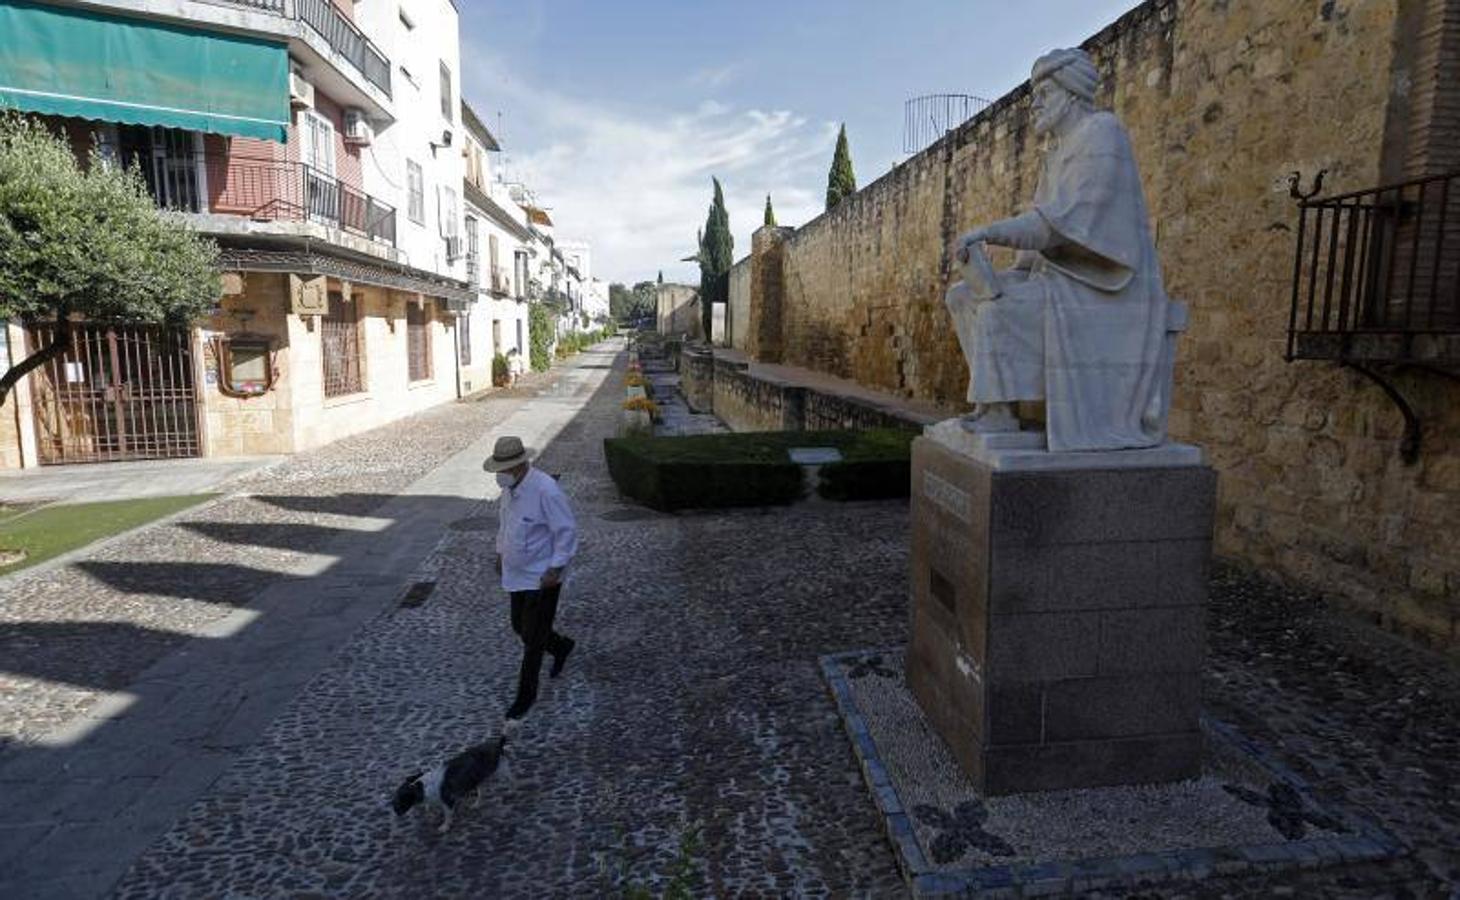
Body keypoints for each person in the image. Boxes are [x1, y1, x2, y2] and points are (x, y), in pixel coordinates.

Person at [945, 47, 1173, 452]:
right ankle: (995, 407)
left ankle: (999, 412)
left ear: (1070, 94)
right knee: (963, 295)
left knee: (998, 308)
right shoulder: (1054, 156)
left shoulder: (1103, 133)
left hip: (1105, 290)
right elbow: (1039, 242)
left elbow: (1061, 223)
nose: (1034, 105)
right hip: (1064, 282)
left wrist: (988, 231)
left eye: (1044, 94)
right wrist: (1002, 274)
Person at [485, 435, 577, 721]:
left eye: (506, 469)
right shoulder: (510, 489)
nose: (501, 475)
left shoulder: (546, 490)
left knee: (533, 639)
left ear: (521, 465)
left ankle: (525, 697)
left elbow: (567, 531)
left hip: (542, 576)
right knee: (519, 626)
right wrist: (501, 552)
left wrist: (556, 568)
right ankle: (562, 645)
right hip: (516, 572)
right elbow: (506, 523)